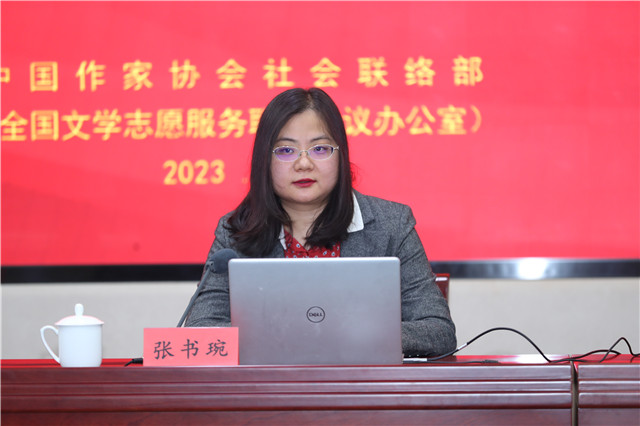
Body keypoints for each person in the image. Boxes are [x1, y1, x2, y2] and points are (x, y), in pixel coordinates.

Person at [185, 87, 456, 357]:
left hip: (361, 384)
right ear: (264, 160)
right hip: (270, 384)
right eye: (286, 150)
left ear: (341, 155)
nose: (303, 164)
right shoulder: (235, 232)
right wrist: (296, 336)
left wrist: (351, 335)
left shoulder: (391, 225)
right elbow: (201, 329)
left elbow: (438, 331)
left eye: (320, 148)